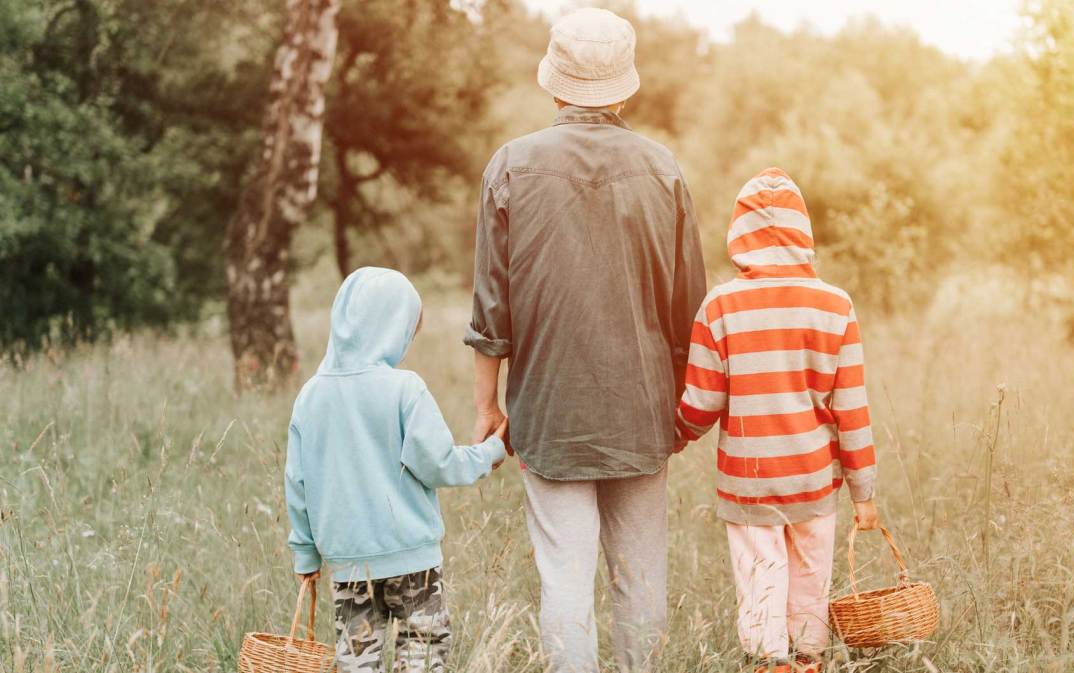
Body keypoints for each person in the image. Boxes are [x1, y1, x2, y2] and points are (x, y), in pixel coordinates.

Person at [464, 8, 707, 673]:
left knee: (564, 578)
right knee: (640, 578)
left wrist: (488, 407)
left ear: (554, 83)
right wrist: (685, 407)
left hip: (549, 412)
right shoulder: (663, 169)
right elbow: (690, 311)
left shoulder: (510, 167)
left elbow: (492, 312)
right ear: (623, 87)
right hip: (645, 408)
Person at [674, 168, 880, 673]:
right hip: (814, 481)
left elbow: (701, 404)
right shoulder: (835, 305)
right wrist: (864, 492)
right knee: (811, 583)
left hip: (749, 482)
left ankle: (770, 664)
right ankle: (809, 660)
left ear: (740, 233)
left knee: (760, 584)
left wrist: (677, 432)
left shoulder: (720, 305)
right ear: (802, 233)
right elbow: (851, 408)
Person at [285, 267, 508, 673]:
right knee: (422, 653)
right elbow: (437, 463)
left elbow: (297, 481)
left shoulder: (310, 396)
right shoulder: (405, 388)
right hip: (413, 562)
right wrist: (490, 452)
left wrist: (305, 553)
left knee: (356, 661)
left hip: (349, 562)